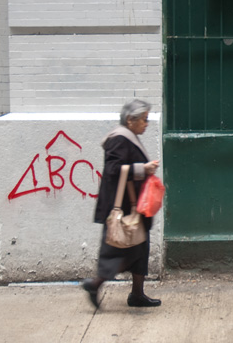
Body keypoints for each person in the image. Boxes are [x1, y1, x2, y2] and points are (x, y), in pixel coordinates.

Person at [82, 99, 161, 308]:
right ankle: (95, 283)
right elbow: (113, 170)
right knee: (121, 251)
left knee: (140, 248)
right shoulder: (119, 139)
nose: (146, 124)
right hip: (122, 210)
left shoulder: (128, 137)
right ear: (130, 120)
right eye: (144, 120)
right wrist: (142, 169)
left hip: (134, 207)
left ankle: (137, 294)